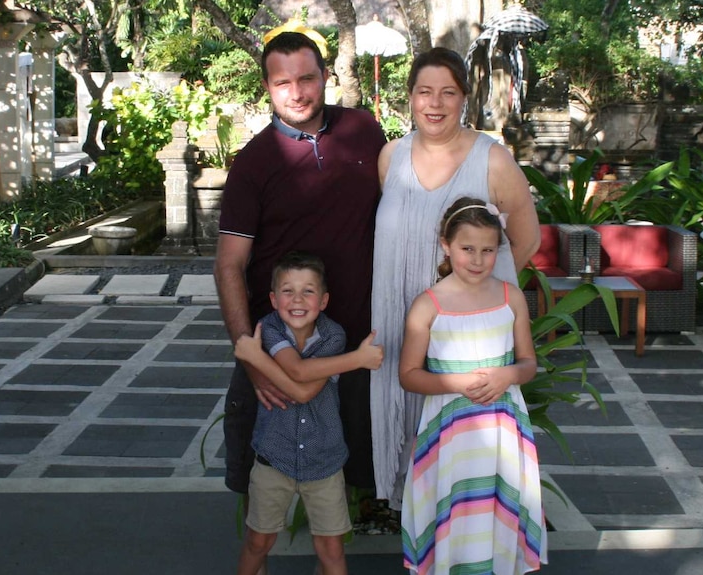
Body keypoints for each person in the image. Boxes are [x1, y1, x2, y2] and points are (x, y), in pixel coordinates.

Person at [214, 29, 386, 506]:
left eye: (307, 78)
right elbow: (230, 265)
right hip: (283, 344)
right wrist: (251, 355)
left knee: (362, 471)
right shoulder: (253, 164)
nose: (298, 92)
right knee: (260, 480)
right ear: (267, 87)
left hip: (358, 340)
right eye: (283, 82)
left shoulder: (363, 131)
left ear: (326, 76)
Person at [370, 47, 541, 508]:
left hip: (460, 345)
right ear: (409, 97)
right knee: (407, 419)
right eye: (424, 91)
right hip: (397, 321)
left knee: (462, 458)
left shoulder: (493, 160)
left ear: (464, 98)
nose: (435, 103)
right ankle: (420, 527)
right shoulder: (391, 157)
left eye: (448, 92)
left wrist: (473, 298)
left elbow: (525, 242)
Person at [399, 197, 547, 574]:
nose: (478, 259)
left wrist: (509, 374)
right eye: (467, 249)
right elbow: (409, 374)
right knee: (456, 510)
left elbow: (529, 363)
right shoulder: (428, 305)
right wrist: (458, 382)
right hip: (451, 438)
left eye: (488, 250)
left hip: (503, 433)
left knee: (498, 512)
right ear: (446, 245)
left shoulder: (510, 298)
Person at [232, 251, 384, 575]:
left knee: (331, 549)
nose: (297, 299)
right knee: (258, 542)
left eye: (308, 291)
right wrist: (358, 359)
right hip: (274, 459)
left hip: (325, 462)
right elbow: (299, 375)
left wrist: (255, 359)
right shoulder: (268, 329)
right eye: (288, 290)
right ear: (273, 299)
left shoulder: (333, 335)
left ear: (324, 300)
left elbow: (303, 389)